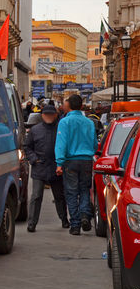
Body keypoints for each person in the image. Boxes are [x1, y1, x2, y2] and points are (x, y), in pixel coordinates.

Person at [55, 94, 98, 236]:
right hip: (86, 160)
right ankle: (85, 214)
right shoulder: (89, 122)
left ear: (68, 106)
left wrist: (59, 163)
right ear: (81, 106)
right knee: (85, 189)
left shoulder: (65, 122)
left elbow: (61, 144)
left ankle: (75, 224)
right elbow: (94, 144)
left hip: (70, 161)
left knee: (71, 192)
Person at [23, 105, 69, 232]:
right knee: (36, 196)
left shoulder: (61, 129)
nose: (49, 116)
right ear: (42, 115)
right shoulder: (35, 130)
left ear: (55, 115)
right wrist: (34, 159)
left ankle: (64, 220)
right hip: (40, 168)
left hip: (56, 167)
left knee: (59, 196)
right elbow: (27, 147)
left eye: (51, 114)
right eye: (46, 114)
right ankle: (32, 223)